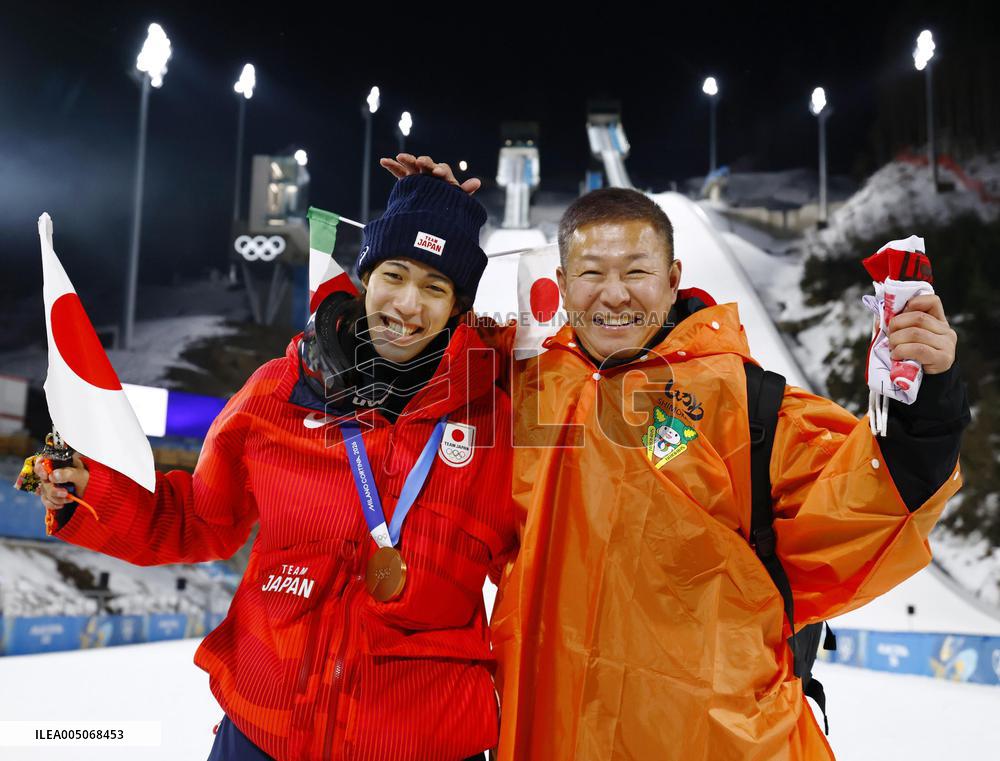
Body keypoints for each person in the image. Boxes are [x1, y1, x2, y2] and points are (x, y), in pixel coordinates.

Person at [382, 156, 970, 760]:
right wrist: (434, 221)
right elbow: (411, 349)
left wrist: (930, 397)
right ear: (561, 283)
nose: (614, 294)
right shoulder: (528, 383)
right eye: (591, 273)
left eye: (637, 271)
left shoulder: (747, 406)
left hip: (715, 741)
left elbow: (870, 504)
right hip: (550, 735)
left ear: (672, 277)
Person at [34, 174, 517, 761]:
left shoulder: (501, 415)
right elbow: (198, 518)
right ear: (365, 278)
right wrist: (96, 494)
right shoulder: (280, 389)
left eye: (435, 285)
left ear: (459, 306)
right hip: (264, 732)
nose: (408, 305)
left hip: (422, 741)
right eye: (394, 275)